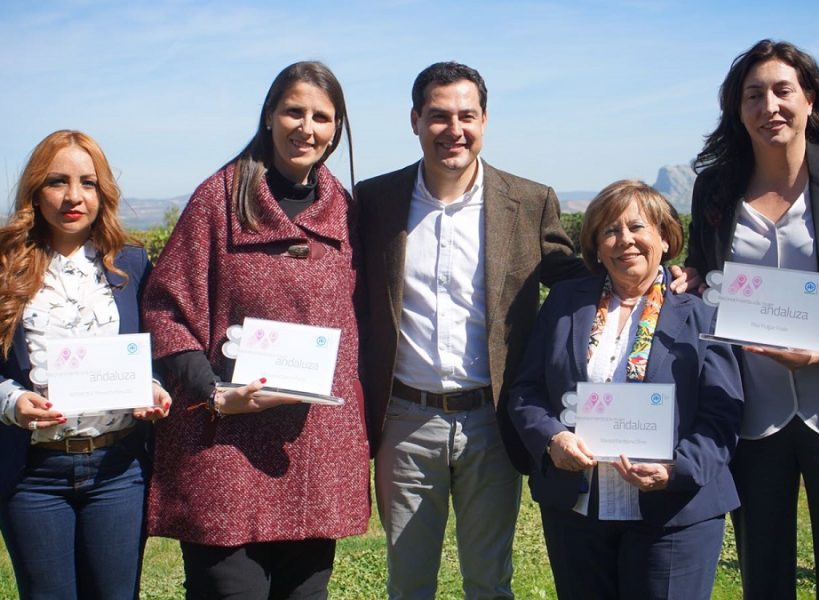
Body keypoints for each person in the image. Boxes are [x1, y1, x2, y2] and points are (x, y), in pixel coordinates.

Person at [356, 61, 588, 599]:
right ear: (414, 120)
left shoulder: (529, 202)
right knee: (409, 582)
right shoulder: (374, 201)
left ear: (485, 120)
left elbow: (575, 281)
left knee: (489, 581)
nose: (453, 129)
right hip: (405, 423)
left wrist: (657, 277)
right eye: (438, 116)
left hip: (492, 420)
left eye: (466, 115)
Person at [141, 61, 368, 599]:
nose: (305, 128)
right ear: (269, 116)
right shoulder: (217, 201)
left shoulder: (347, 213)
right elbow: (165, 308)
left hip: (314, 455)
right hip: (226, 453)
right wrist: (212, 391)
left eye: (321, 117)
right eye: (293, 111)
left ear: (336, 128)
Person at [684, 39, 819, 599]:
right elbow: (705, 273)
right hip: (750, 412)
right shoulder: (716, 188)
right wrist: (689, 279)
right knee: (764, 575)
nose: (769, 106)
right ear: (738, 109)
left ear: (810, 100)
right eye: (753, 95)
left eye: (783, 90)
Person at [506, 180, 743, 600]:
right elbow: (526, 390)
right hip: (578, 512)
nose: (625, 241)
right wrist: (551, 438)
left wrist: (676, 469)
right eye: (610, 231)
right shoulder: (565, 303)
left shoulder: (702, 314)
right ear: (596, 247)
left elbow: (722, 414)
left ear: (666, 239)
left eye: (638, 227)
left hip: (675, 513)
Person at [0, 130, 170, 600]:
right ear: (35, 190)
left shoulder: (130, 263)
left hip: (118, 471)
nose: (73, 196)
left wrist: (152, 386)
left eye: (88, 183)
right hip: (32, 476)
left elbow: (154, 352)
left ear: (103, 192)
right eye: (58, 181)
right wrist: (12, 401)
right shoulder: (5, 264)